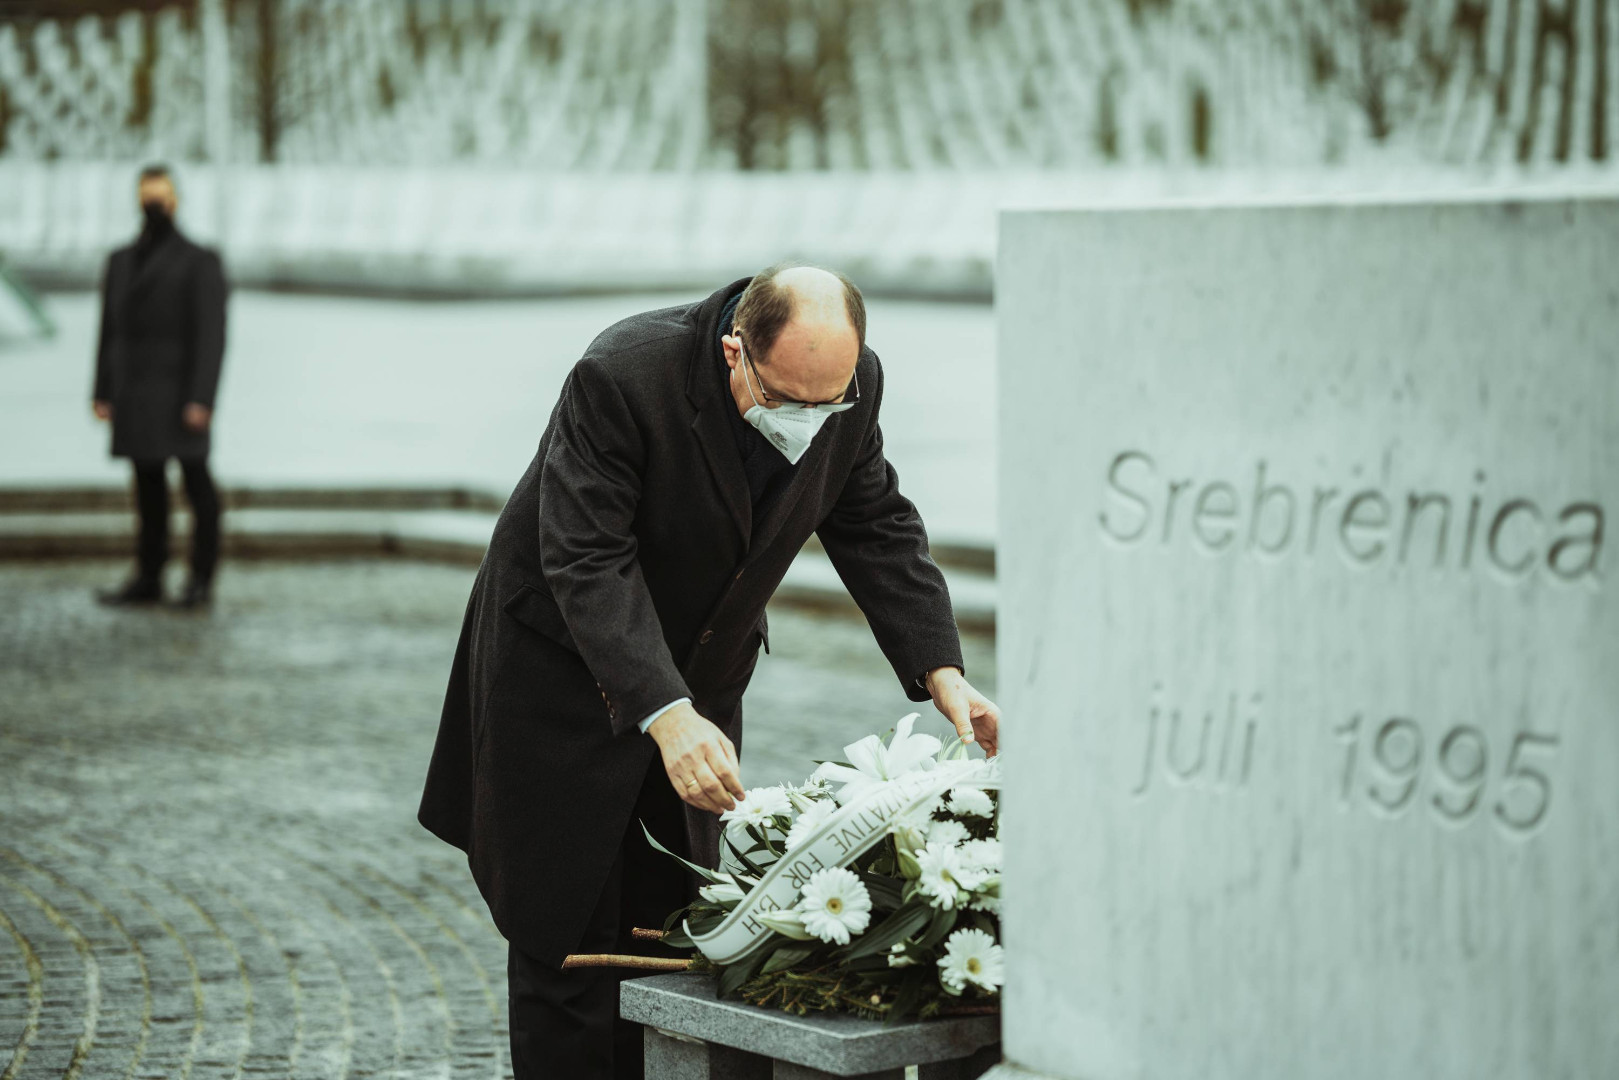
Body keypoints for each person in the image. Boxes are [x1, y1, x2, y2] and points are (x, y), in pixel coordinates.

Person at [417, 264, 1001, 1080]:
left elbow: (874, 521)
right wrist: (665, 711)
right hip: (562, 676)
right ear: (734, 349)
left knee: (674, 927)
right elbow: (586, 557)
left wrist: (942, 671)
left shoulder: (845, 380)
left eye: (827, 404)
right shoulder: (620, 375)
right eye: (786, 400)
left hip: (704, 678)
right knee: (567, 939)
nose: (808, 422)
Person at [92, 164, 229, 609]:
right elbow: (109, 330)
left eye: (160, 196)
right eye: (146, 196)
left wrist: (202, 397)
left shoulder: (199, 260)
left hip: (180, 393)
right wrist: (102, 389)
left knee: (197, 484)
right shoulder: (121, 260)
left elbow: (211, 336)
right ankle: (149, 574)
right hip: (135, 392)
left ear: (174, 200)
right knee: (147, 486)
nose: (153, 205)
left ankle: (201, 576)